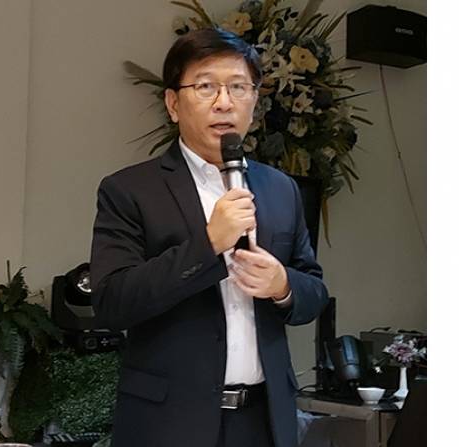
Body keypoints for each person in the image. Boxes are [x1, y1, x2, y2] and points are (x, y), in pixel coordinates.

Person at [90, 28, 329, 447]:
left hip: (264, 421)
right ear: (173, 104)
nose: (224, 102)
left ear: (254, 101)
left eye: (238, 87)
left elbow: (314, 291)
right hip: (169, 424)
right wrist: (209, 245)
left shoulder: (281, 189)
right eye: (205, 87)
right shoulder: (129, 190)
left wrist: (283, 285)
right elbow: (113, 303)